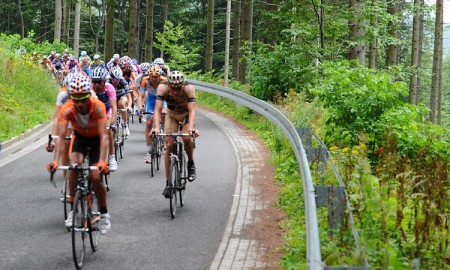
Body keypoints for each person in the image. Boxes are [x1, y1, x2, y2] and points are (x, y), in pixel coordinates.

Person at [47, 74, 111, 234]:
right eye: (76, 99)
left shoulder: (98, 106)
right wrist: (55, 161)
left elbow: (104, 136)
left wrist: (103, 161)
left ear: (89, 95)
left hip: (96, 139)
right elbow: (61, 138)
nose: (80, 103)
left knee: (95, 176)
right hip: (80, 138)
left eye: (83, 99)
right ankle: (72, 210)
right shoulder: (67, 107)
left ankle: (104, 213)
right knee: (73, 167)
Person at [152, 71, 199, 198]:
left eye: (178, 88)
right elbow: (157, 110)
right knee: (168, 144)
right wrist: (156, 128)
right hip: (171, 114)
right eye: (173, 88)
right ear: (169, 85)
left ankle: (190, 163)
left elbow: (192, 111)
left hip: (186, 115)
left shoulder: (189, 89)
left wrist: (192, 129)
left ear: (183, 85)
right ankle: (168, 184)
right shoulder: (162, 88)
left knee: (186, 137)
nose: (176, 91)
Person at [137, 65, 167, 163]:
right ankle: (148, 151)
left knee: (163, 115)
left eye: (156, 76)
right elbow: (141, 96)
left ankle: (164, 137)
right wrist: (140, 108)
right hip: (151, 100)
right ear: (149, 76)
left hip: (163, 99)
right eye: (152, 76)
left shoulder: (164, 80)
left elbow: (169, 95)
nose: (154, 79)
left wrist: (167, 108)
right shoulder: (145, 81)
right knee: (149, 122)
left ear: (159, 76)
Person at [91, 67, 118, 172]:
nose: (96, 85)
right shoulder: (90, 88)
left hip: (107, 110)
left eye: (99, 82)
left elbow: (114, 107)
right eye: (94, 82)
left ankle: (112, 158)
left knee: (108, 131)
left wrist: (112, 123)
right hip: (96, 111)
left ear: (104, 81)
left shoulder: (109, 88)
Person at [108, 66, 133, 136]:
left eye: (117, 80)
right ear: (111, 78)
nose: (115, 81)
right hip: (112, 97)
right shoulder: (108, 81)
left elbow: (129, 96)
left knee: (121, 104)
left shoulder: (123, 81)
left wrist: (129, 106)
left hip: (122, 96)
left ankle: (125, 125)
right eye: (114, 79)